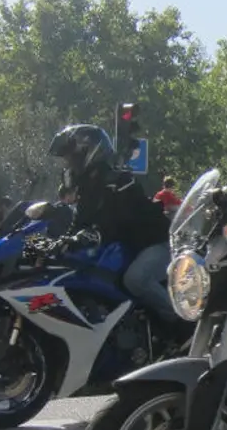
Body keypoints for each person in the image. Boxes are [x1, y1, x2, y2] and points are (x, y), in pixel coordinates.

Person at [46, 124, 179, 332]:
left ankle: (183, 324)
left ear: (88, 152)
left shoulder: (119, 180)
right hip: (131, 248)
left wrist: (93, 235)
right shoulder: (87, 188)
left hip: (157, 244)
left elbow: (116, 221)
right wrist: (59, 243)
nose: (68, 164)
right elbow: (79, 222)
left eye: (71, 157)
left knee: (136, 279)